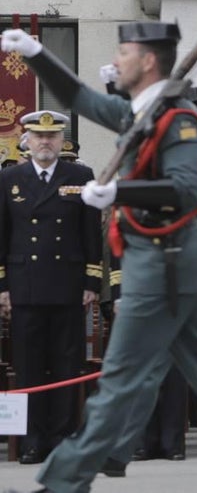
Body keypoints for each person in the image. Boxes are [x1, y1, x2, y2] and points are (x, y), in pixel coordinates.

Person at [0, 23, 197, 493]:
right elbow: (79, 99)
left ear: (149, 61)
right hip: (170, 268)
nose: (116, 60)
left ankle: (63, 482)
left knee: (118, 380)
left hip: (165, 269)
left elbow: (185, 188)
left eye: (124, 52)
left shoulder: (177, 121)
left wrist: (117, 190)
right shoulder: (142, 113)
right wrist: (35, 52)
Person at [0, 111, 102, 465]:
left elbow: (92, 233)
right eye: (38, 136)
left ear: (61, 140)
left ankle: (62, 438)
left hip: (68, 286)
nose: (46, 142)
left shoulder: (80, 176)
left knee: (65, 366)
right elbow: (2, 235)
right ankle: (31, 440)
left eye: (52, 136)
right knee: (28, 367)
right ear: (25, 140)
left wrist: (92, 281)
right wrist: (3, 286)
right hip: (24, 286)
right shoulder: (9, 178)